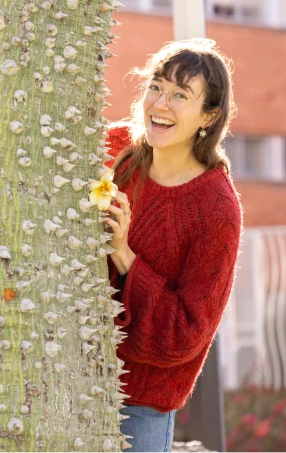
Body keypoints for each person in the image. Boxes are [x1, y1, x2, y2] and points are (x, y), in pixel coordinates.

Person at [101, 38, 243, 452]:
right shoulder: (114, 152)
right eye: (156, 87)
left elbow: (185, 335)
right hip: (63, 372)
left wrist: (123, 254)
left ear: (209, 115)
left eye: (181, 95)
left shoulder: (216, 207)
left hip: (139, 406)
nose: (161, 104)